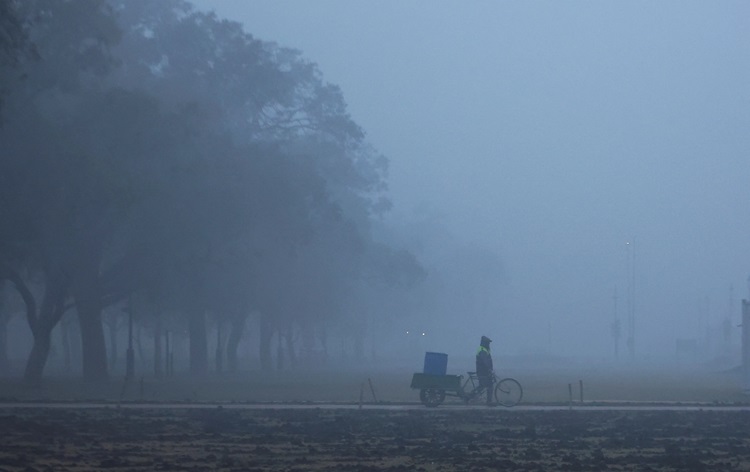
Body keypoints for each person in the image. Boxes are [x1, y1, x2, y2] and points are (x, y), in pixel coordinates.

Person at [475, 335, 494, 405]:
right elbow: (485, 361)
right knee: (488, 385)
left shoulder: (484, 349)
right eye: (488, 342)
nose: (489, 344)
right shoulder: (482, 350)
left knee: (483, 386)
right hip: (483, 371)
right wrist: (489, 369)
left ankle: (471, 397)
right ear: (484, 343)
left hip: (484, 371)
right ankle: (489, 402)